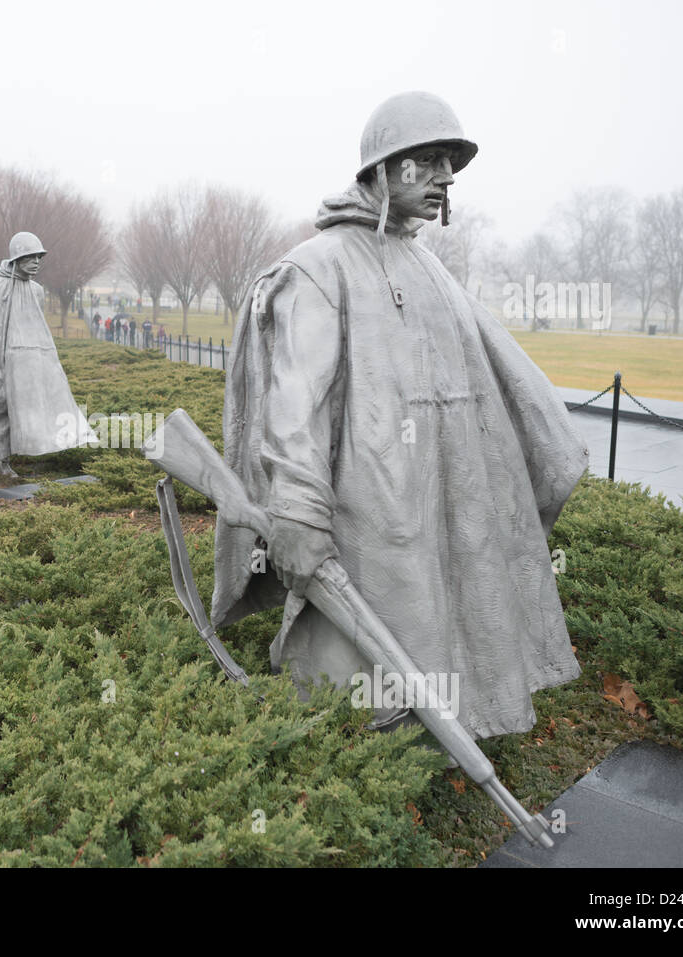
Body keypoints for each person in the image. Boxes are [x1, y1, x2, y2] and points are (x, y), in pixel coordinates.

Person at [211, 92, 588, 742]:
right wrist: (297, 514)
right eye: (427, 159)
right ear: (381, 170)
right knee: (357, 682)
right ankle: (354, 763)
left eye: (450, 161)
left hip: (435, 505)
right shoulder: (318, 270)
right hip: (362, 521)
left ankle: (421, 744)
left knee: (430, 640)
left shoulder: (430, 268)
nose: (444, 175)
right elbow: (294, 408)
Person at [0, 231, 95, 483]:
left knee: (9, 414)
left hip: (19, 366)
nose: (37, 262)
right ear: (17, 258)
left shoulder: (36, 291)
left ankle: (3, 463)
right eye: (31, 257)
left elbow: (36, 331)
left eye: (39, 257)